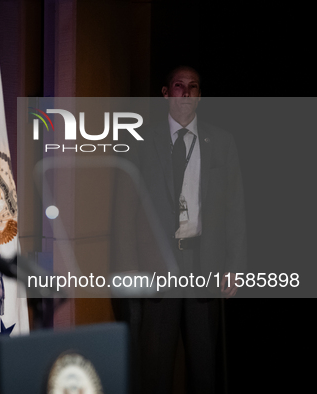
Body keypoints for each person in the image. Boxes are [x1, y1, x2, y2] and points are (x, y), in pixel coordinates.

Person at [130, 66, 246, 394]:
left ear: (200, 94)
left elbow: (235, 209)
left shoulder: (222, 142)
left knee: (205, 368)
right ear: (166, 93)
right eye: (179, 86)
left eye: (193, 87)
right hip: (157, 269)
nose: (186, 93)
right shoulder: (143, 142)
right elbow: (126, 211)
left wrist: (234, 267)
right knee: (154, 368)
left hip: (204, 265)